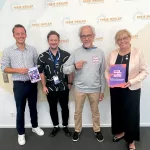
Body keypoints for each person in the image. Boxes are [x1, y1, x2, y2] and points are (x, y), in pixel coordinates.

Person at [105, 29, 148, 150]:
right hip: (116, 88)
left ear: (130, 38)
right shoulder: (113, 54)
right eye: (119, 39)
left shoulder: (137, 52)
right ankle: (120, 132)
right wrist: (109, 80)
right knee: (117, 111)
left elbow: (145, 71)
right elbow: (107, 70)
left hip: (132, 88)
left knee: (131, 115)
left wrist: (131, 81)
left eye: (125, 38)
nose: (122, 41)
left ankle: (131, 140)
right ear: (116, 41)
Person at [1, 24, 44, 145]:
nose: (20, 36)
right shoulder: (8, 51)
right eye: (17, 34)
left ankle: (35, 127)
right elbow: (4, 68)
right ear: (13, 35)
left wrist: (36, 76)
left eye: (22, 33)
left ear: (26, 34)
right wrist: (18, 70)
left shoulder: (32, 49)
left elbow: (37, 65)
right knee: (20, 110)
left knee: (33, 107)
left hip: (32, 83)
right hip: (19, 85)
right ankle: (21, 133)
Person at [63, 25, 106, 142]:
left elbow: (102, 73)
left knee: (96, 112)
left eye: (88, 35)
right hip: (80, 89)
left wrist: (102, 91)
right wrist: (74, 66)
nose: (86, 38)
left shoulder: (100, 52)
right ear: (80, 37)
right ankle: (77, 130)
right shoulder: (76, 53)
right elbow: (64, 69)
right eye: (83, 36)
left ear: (93, 36)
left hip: (95, 89)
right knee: (77, 112)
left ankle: (97, 130)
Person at [37, 31, 73, 137]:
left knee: (64, 107)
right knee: (52, 108)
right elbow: (41, 72)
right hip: (50, 88)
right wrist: (43, 86)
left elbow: (70, 70)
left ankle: (65, 126)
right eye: (51, 40)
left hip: (63, 87)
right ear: (48, 41)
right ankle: (56, 126)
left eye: (55, 40)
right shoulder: (42, 56)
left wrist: (70, 83)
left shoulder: (66, 55)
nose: (53, 42)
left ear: (59, 41)